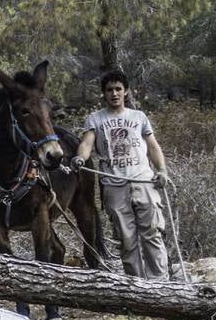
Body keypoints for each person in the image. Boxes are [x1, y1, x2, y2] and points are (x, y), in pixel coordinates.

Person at [71, 69, 172, 279]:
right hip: (114, 186)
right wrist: (80, 158)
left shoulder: (139, 117)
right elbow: (87, 143)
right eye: (110, 90)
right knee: (127, 240)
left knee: (152, 235)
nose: (114, 93)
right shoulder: (95, 119)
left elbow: (153, 146)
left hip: (144, 182)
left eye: (118, 89)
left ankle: (160, 284)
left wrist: (161, 170)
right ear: (104, 94)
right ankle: (136, 286)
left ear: (126, 91)